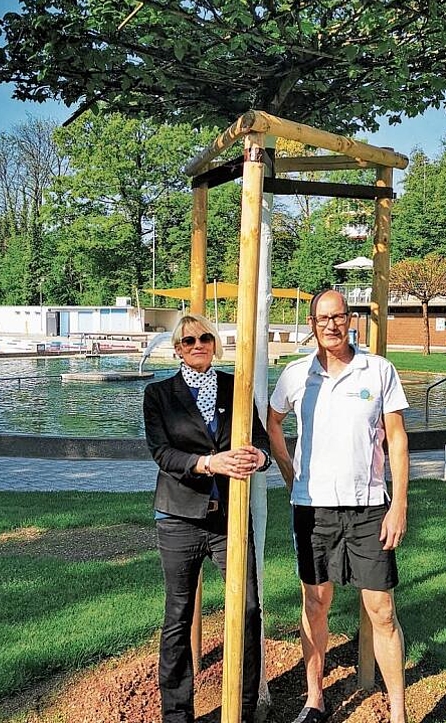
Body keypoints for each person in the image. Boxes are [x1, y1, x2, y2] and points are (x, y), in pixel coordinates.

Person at [267, 289, 410, 723]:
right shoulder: (295, 376)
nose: (331, 325)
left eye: (339, 316)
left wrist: (398, 503)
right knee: (315, 603)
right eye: (322, 318)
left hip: (369, 507)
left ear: (351, 321)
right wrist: (291, 474)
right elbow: (273, 423)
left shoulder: (378, 370)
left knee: (381, 610)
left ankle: (399, 712)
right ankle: (315, 701)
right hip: (313, 510)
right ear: (311, 324)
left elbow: (398, 439)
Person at [143, 314, 272, 723]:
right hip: (179, 518)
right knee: (178, 614)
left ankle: (244, 706)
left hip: (229, 520)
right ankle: (177, 713)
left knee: (249, 610)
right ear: (177, 349)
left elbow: (261, 438)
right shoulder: (159, 394)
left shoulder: (236, 388)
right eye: (188, 340)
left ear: (215, 344)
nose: (197, 344)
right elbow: (163, 454)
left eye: (204, 338)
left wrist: (260, 457)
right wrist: (209, 462)